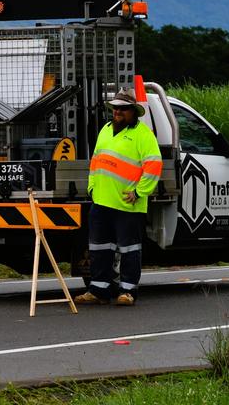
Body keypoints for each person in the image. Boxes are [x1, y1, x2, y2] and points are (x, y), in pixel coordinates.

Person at [74, 89, 163, 306]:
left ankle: (128, 291)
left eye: (123, 108)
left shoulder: (143, 135)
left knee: (129, 249)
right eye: (115, 108)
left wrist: (139, 192)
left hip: (128, 203)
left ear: (133, 111)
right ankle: (98, 290)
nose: (118, 112)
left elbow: (153, 165)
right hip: (101, 201)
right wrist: (92, 187)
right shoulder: (105, 130)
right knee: (99, 248)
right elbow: (96, 161)